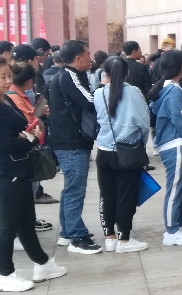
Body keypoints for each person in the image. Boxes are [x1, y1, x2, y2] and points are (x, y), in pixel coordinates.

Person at [0, 58, 67, 291]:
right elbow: (5, 143)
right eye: (2, 77)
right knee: (8, 224)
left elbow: (15, 130)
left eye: (8, 75)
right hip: (7, 171)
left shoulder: (7, 99)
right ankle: (4, 272)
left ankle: (43, 263)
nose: (7, 81)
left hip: (21, 168)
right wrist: (31, 139)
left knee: (26, 221)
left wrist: (28, 133)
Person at [47, 40, 102, 254]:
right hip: (71, 142)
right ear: (78, 58)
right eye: (88, 54)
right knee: (75, 189)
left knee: (71, 187)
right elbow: (90, 100)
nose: (90, 58)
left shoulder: (67, 76)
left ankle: (67, 231)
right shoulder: (69, 76)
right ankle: (76, 237)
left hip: (68, 140)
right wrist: (106, 87)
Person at [94, 57, 150, 253]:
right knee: (126, 196)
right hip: (128, 152)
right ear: (127, 73)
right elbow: (144, 123)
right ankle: (124, 239)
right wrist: (141, 144)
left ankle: (109, 237)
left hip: (104, 151)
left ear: (105, 73)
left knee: (107, 195)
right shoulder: (134, 92)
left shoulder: (99, 93)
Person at [148, 50, 182, 246]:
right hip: (175, 144)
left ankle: (179, 225)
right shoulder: (174, 91)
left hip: (170, 143)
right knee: (175, 188)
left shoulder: (165, 88)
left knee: (178, 187)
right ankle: (171, 230)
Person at [7, 63, 58, 214]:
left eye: (8, 76)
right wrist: (39, 115)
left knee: (31, 188)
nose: (7, 81)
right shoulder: (12, 97)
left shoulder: (16, 96)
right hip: (23, 149)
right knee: (27, 189)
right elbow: (26, 123)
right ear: (30, 81)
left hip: (28, 146)